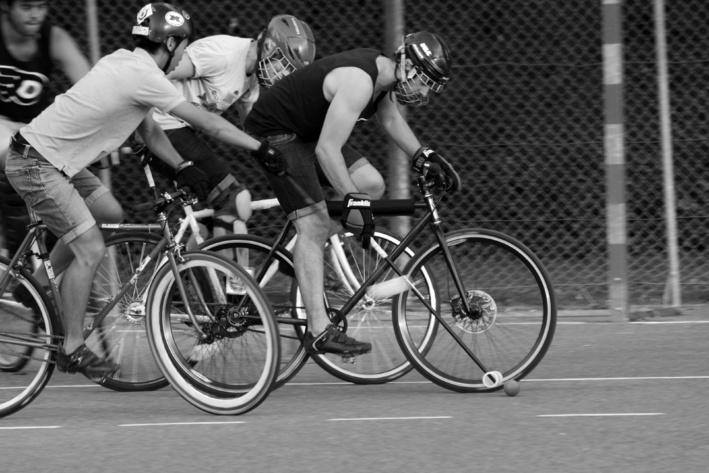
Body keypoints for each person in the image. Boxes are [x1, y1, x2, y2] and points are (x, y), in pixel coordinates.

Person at [5, 2, 284, 376]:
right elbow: (208, 123)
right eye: (183, 45)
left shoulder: (124, 61)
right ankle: (71, 348)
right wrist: (259, 147)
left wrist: (183, 166)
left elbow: (149, 130)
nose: (185, 52)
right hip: (36, 164)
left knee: (109, 214)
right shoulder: (146, 75)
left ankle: (36, 287)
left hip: (55, 160)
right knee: (89, 247)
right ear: (169, 44)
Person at [244, 31, 461, 356]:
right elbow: (327, 151)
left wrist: (423, 156)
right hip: (278, 132)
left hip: (306, 131)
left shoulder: (382, 76)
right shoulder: (360, 81)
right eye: (424, 84)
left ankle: (304, 251)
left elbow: (389, 118)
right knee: (317, 223)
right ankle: (318, 329)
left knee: (371, 185)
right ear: (409, 68)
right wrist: (353, 202)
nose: (423, 94)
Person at [150, 14, 315, 234]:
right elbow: (156, 71)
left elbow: (253, 129)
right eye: (284, 65)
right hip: (158, 127)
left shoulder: (252, 77)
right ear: (268, 47)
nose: (284, 76)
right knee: (236, 201)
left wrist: (281, 156)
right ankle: (224, 269)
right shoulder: (222, 54)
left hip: (181, 130)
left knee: (212, 219)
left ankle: (197, 267)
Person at [0, 0, 92, 257]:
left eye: (41, 6)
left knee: (95, 203)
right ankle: (18, 265)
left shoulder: (53, 38)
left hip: (36, 129)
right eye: (27, 7)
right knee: (16, 155)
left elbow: (90, 87)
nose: (35, 15)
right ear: (6, 7)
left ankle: (100, 293)